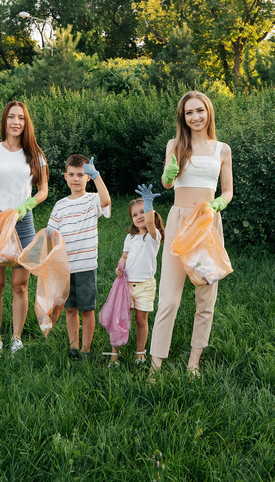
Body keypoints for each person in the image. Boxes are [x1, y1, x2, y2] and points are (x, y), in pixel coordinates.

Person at [150, 91, 233, 377]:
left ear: (208, 112)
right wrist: (170, 172)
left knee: (205, 296)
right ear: (182, 117)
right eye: (189, 113)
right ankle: (155, 364)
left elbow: (228, 190)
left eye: (200, 111)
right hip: (178, 222)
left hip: (207, 223)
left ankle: (193, 362)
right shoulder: (175, 144)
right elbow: (167, 183)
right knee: (169, 298)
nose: (195, 117)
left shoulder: (222, 149)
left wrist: (219, 204)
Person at [0, 101, 48, 357]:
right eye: (11, 117)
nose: (16, 122)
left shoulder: (35, 153)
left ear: (26, 123)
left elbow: (43, 190)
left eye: (21, 118)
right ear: (4, 120)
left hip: (23, 221)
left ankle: (16, 338)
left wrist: (28, 205)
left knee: (20, 285)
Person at [47, 154, 111, 359]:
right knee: (70, 309)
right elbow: (51, 237)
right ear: (65, 177)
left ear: (87, 178)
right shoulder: (60, 205)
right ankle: (73, 348)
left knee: (87, 310)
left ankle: (86, 349)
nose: (76, 179)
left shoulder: (92, 200)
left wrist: (97, 175)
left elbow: (106, 200)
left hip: (85, 267)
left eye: (81, 175)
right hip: (65, 269)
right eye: (72, 175)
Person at [103, 187, 165, 367]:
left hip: (145, 285)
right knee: (120, 317)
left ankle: (140, 353)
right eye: (134, 214)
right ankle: (115, 354)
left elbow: (151, 224)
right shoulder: (130, 238)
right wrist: (120, 266)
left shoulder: (154, 237)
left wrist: (148, 204)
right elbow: (124, 256)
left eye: (143, 212)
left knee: (140, 319)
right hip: (126, 285)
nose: (139, 216)